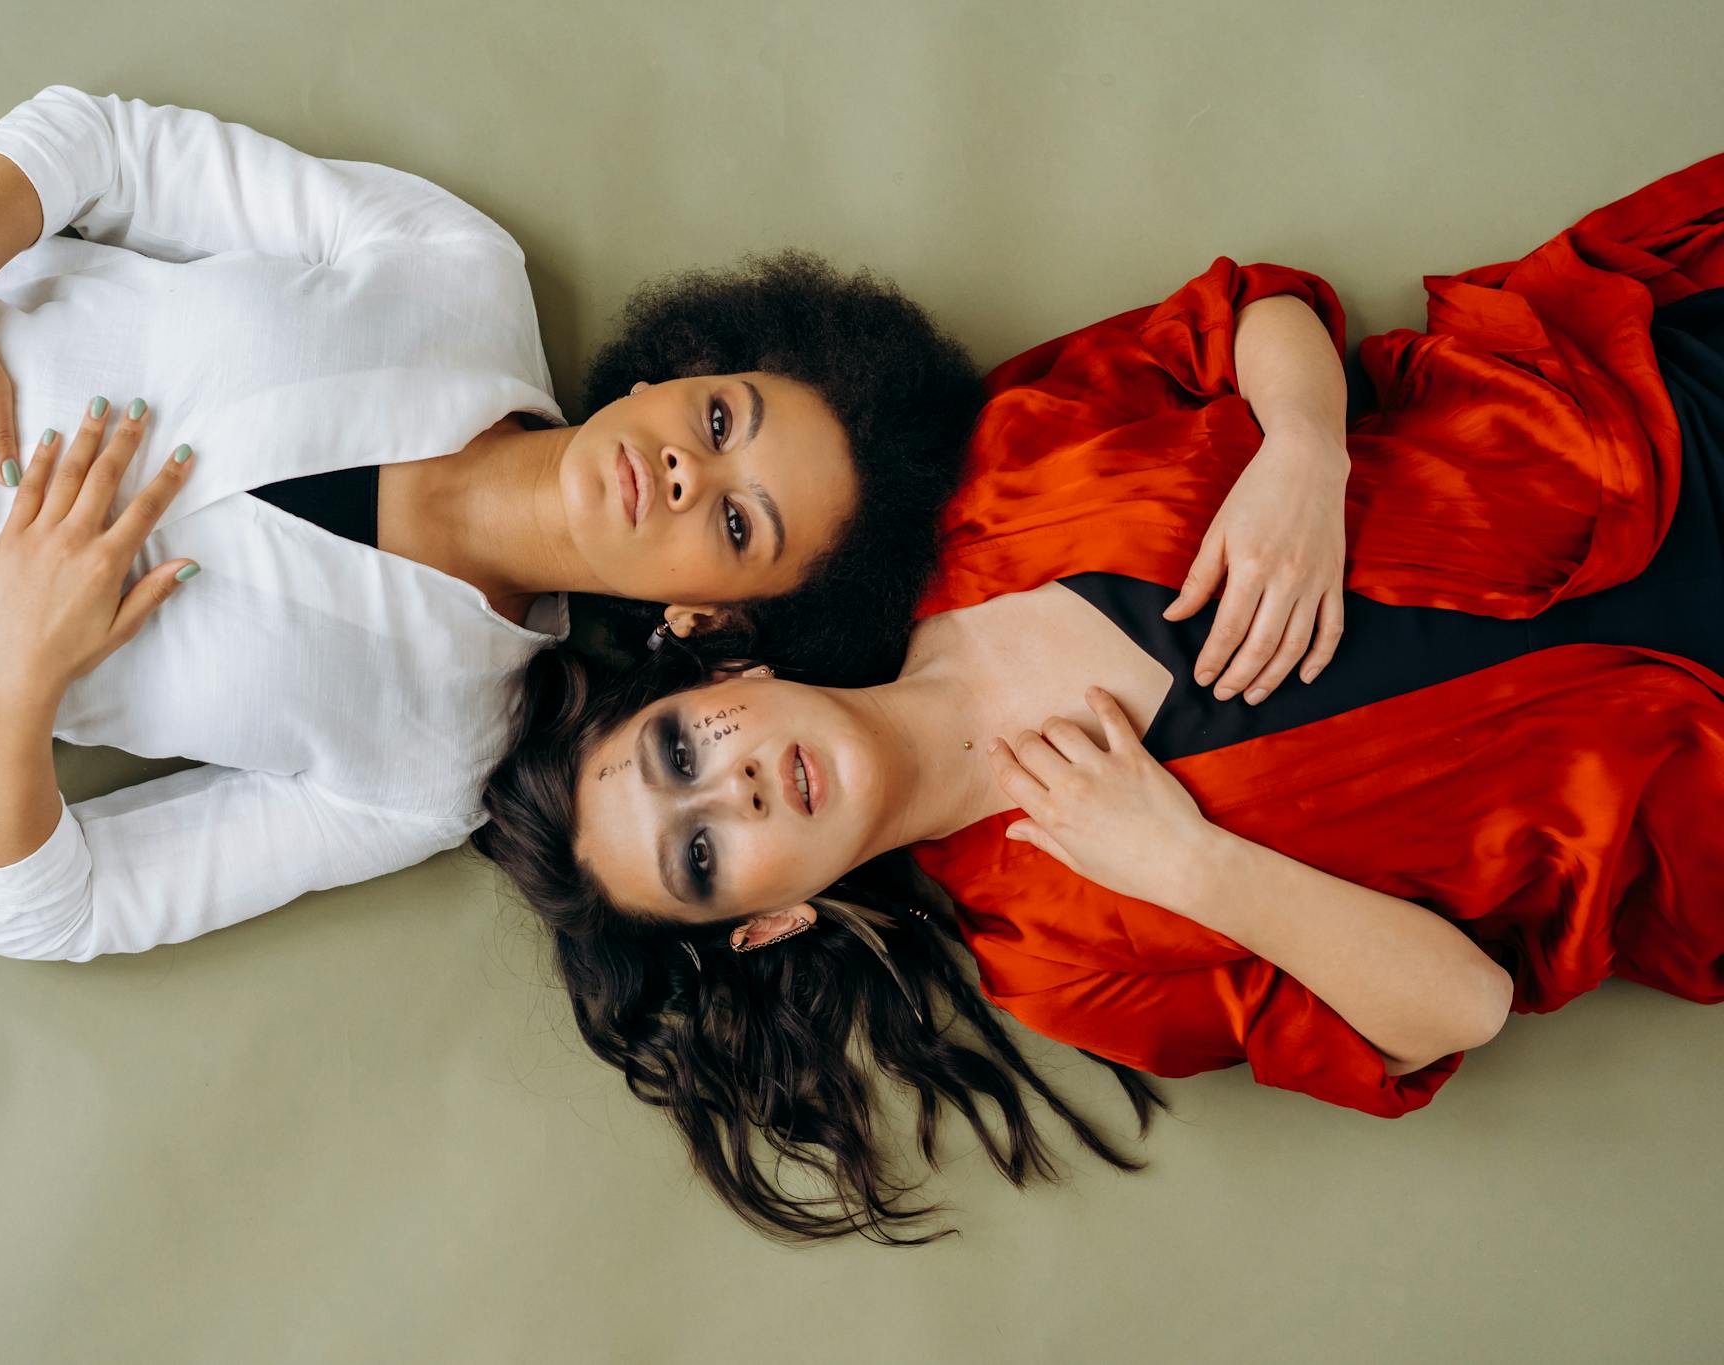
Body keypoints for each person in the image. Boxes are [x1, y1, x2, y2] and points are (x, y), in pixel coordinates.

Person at [475, 152, 1724, 1243]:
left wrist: (1300, 446)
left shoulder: (990, 480)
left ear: (724, 676)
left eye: (679, 748)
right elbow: (1460, 1007)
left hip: (1648, 408)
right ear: (767, 920)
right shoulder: (1059, 961)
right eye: (700, 853)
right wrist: (1190, 868)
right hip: (1690, 765)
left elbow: (1249, 309)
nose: (730, 784)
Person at [0, 87, 981, 962]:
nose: (691, 475)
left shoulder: (424, 772)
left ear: (713, 617)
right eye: (720, 420)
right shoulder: (457, 272)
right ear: (674, 377)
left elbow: (49, 911)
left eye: (741, 524)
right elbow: (98, 140)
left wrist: (14, 682)